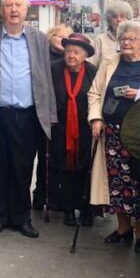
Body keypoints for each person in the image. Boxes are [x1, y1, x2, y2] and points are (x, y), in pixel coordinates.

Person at [0, 0, 57, 238]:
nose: (13, 10)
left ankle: (21, 217)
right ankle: (0, 216)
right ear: (1, 10)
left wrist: (49, 115)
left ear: (26, 10)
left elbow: (46, 78)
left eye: (18, 5)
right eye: (8, 5)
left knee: (23, 168)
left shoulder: (39, 39)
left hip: (27, 114)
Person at [88, 20, 140, 252]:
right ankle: (123, 228)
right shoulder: (109, 63)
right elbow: (95, 93)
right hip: (112, 133)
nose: (127, 43)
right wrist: (96, 118)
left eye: (132, 39)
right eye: (123, 39)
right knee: (116, 182)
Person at [48, 33, 98, 226]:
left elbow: (99, 96)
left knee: (86, 167)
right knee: (63, 167)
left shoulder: (93, 72)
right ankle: (67, 208)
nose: (71, 56)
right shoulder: (54, 69)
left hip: (86, 128)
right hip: (59, 127)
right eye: (68, 51)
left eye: (76, 52)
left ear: (85, 55)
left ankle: (86, 208)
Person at [32, 23, 74, 210]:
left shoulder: (70, 58)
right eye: (59, 36)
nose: (63, 41)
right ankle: (40, 196)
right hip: (43, 114)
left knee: (61, 158)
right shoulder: (42, 55)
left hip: (65, 116)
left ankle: (58, 197)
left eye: (67, 37)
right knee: (44, 157)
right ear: (51, 36)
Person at [89, 0, 132, 66]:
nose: (119, 20)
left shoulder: (135, 39)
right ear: (109, 20)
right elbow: (90, 65)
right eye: (115, 16)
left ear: (128, 19)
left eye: (122, 16)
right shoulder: (100, 40)